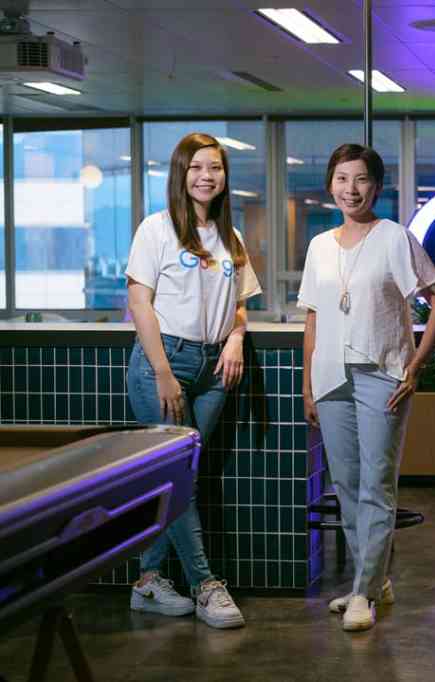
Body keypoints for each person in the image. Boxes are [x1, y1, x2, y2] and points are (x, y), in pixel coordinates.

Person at [298, 144, 435, 632]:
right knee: (346, 486)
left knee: (376, 485)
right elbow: (313, 318)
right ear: (330, 185)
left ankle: (363, 591)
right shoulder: (319, 246)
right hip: (330, 377)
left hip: (382, 374)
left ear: (377, 187)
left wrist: (416, 364)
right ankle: (373, 580)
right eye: (342, 178)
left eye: (361, 179)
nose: (351, 189)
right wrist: (307, 384)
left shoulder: (394, 238)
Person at [124, 133, 261, 629]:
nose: (207, 176)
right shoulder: (156, 229)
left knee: (180, 476)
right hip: (165, 364)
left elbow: (239, 305)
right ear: (181, 173)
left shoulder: (230, 237)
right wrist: (163, 372)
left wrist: (236, 338)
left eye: (216, 168)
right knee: (179, 474)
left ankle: (148, 581)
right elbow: (139, 303)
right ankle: (205, 585)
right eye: (198, 167)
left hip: (214, 368)